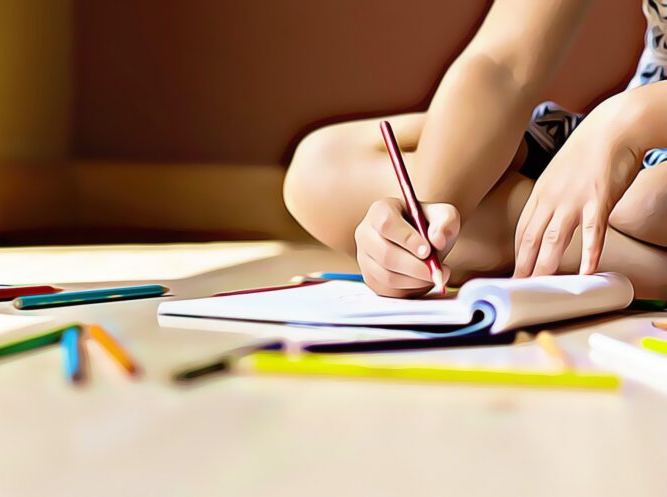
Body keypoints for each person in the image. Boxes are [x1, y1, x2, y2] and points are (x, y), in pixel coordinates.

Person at [283, 0, 667, 299]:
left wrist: (626, 122)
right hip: (617, 132)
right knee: (322, 167)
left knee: (647, 204)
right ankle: (529, 242)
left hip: (640, 127)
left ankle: (528, 243)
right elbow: (504, 62)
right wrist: (426, 225)